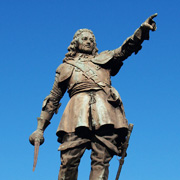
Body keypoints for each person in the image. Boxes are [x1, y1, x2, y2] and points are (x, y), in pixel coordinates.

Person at [29, 14, 157, 180]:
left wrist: (140, 31)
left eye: (91, 39)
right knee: (68, 161)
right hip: (75, 115)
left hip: (106, 113)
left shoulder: (104, 59)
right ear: (76, 43)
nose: (89, 41)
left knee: (101, 161)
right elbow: (53, 99)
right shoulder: (65, 68)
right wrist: (40, 128)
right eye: (84, 38)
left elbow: (125, 50)